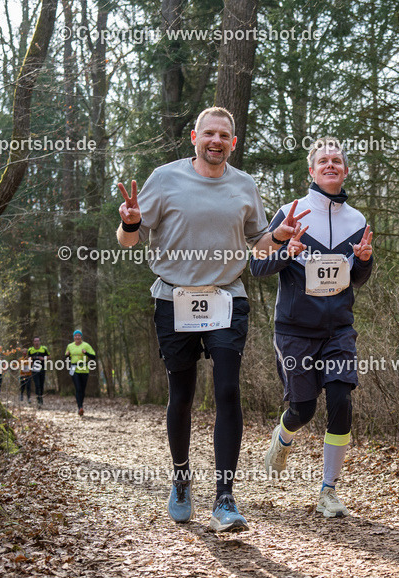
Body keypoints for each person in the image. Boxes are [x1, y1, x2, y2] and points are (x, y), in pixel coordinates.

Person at [116, 106, 294, 532]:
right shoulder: (165, 178)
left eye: (224, 135)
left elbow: (258, 243)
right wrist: (131, 222)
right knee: (182, 394)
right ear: (194, 136)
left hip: (226, 297)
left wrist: (281, 238)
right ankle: (180, 479)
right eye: (209, 133)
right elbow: (127, 240)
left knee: (228, 390)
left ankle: (225, 497)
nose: (216, 141)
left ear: (233, 142)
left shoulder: (245, 185)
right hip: (173, 298)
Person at [250, 137, 374, 518]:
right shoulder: (291, 213)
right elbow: (256, 266)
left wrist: (365, 261)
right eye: (323, 160)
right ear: (312, 170)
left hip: (339, 329)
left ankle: (329, 490)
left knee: (340, 398)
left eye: (337, 160)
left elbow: (356, 278)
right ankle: (283, 437)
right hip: (294, 330)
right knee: (302, 409)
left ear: (346, 170)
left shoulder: (358, 221)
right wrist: (286, 251)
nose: (331, 165)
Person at [64, 330, 96, 416]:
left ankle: (81, 405)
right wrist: (66, 355)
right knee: (78, 388)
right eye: (75, 336)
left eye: (79, 336)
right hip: (74, 369)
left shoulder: (86, 345)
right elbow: (66, 359)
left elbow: (93, 357)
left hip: (84, 369)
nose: (77, 337)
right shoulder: (70, 346)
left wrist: (86, 353)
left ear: (81, 337)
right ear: (73, 337)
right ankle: (80, 407)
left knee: (82, 389)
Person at [28, 336, 49, 406]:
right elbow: (27, 358)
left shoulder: (44, 349)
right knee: (37, 384)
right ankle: (39, 398)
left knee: (41, 384)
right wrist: (33, 358)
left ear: (40, 342)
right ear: (33, 342)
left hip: (42, 369)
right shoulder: (30, 350)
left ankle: (40, 397)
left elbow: (49, 356)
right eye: (35, 341)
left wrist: (43, 358)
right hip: (34, 369)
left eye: (38, 341)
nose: (36, 342)